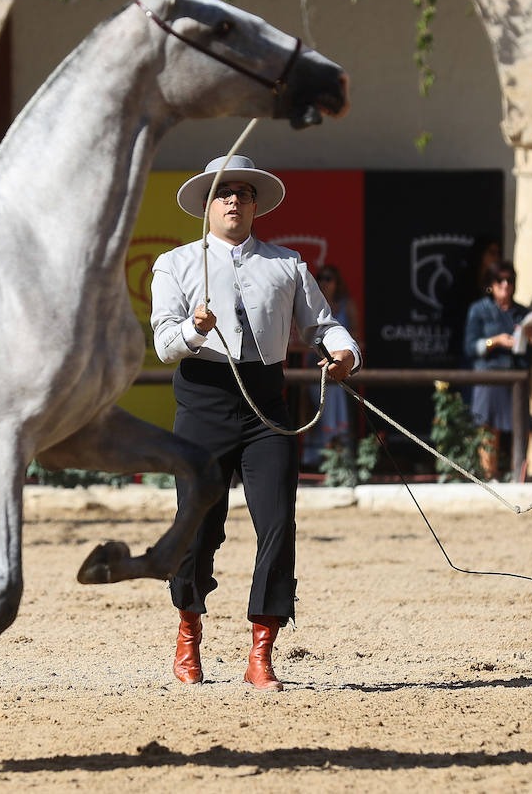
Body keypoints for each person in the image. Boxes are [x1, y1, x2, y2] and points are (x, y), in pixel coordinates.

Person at [150, 154, 362, 691]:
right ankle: (188, 630)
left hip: (267, 403)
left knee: (278, 523)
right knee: (196, 527)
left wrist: (343, 354)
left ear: (254, 205)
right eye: (223, 192)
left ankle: (262, 647)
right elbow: (164, 345)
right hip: (202, 400)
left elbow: (323, 325)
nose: (233, 200)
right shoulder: (174, 264)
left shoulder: (287, 263)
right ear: (205, 204)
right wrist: (194, 330)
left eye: (242, 193)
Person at [463, 260, 532, 480]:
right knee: (488, 427)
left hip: (517, 376)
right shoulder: (479, 310)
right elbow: (470, 347)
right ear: (491, 284)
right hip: (489, 376)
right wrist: (495, 341)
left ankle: (520, 475)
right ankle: (489, 477)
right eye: (500, 280)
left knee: (522, 427)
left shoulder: (523, 312)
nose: (505, 285)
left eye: (510, 280)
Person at [302, 263, 358, 463]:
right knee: (318, 408)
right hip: (314, 366)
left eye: (328, 278)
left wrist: (340, 346)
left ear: (336, 282)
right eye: (320, 278)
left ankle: (339, 456)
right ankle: (317, 456)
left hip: (339, 363)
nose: (323, 282)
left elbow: (357, 335)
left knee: (335, 403)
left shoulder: (346, 305)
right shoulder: (309, 305)